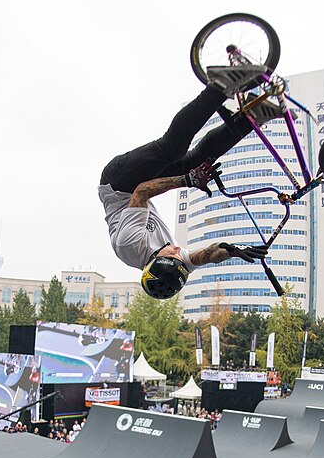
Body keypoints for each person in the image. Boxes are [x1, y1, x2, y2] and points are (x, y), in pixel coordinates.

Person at [99, 65, 283, 300]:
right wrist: (234, 251)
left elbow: (142, 191)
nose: (178, 249)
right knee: (198, 160)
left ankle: (218, 86)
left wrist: (189, 180)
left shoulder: (130, 244)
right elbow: (203, 256)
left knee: (172, 149)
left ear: (157, 259)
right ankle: (253, 116)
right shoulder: (172, 261)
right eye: (179, 256)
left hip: (118, 182)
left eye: (174, 253)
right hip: (142, 184)